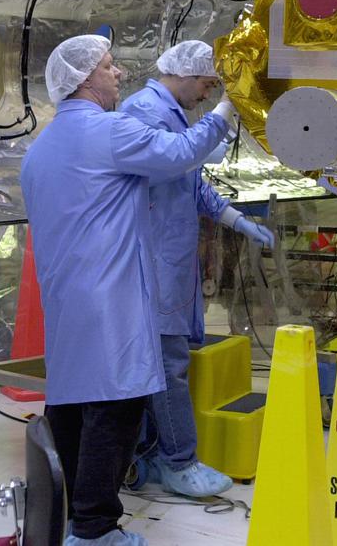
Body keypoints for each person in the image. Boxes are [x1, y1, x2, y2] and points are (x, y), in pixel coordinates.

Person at [20, 34, 236, 546]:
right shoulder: (109, 132)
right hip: (110, 299)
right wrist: (226, 111)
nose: (119, 74)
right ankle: (94, 529)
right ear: (85, 79)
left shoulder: (41, 149)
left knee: (71, 407)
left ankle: (68, 516)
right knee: (116, 409)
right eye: (111, 67)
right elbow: (180, 152)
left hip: (68, 299)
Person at [118, 40, 274, 498]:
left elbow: (191, 183)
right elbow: (177, 158)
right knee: (168, 366)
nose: (207, 94)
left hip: (169, 263)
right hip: (152, 266)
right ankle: (179, 462)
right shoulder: (142, 111)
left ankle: (145, 456)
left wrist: (236, 219)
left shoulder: (170, 114)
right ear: (187, 74)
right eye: (208, 85)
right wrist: (226, 112)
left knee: (163, 363)